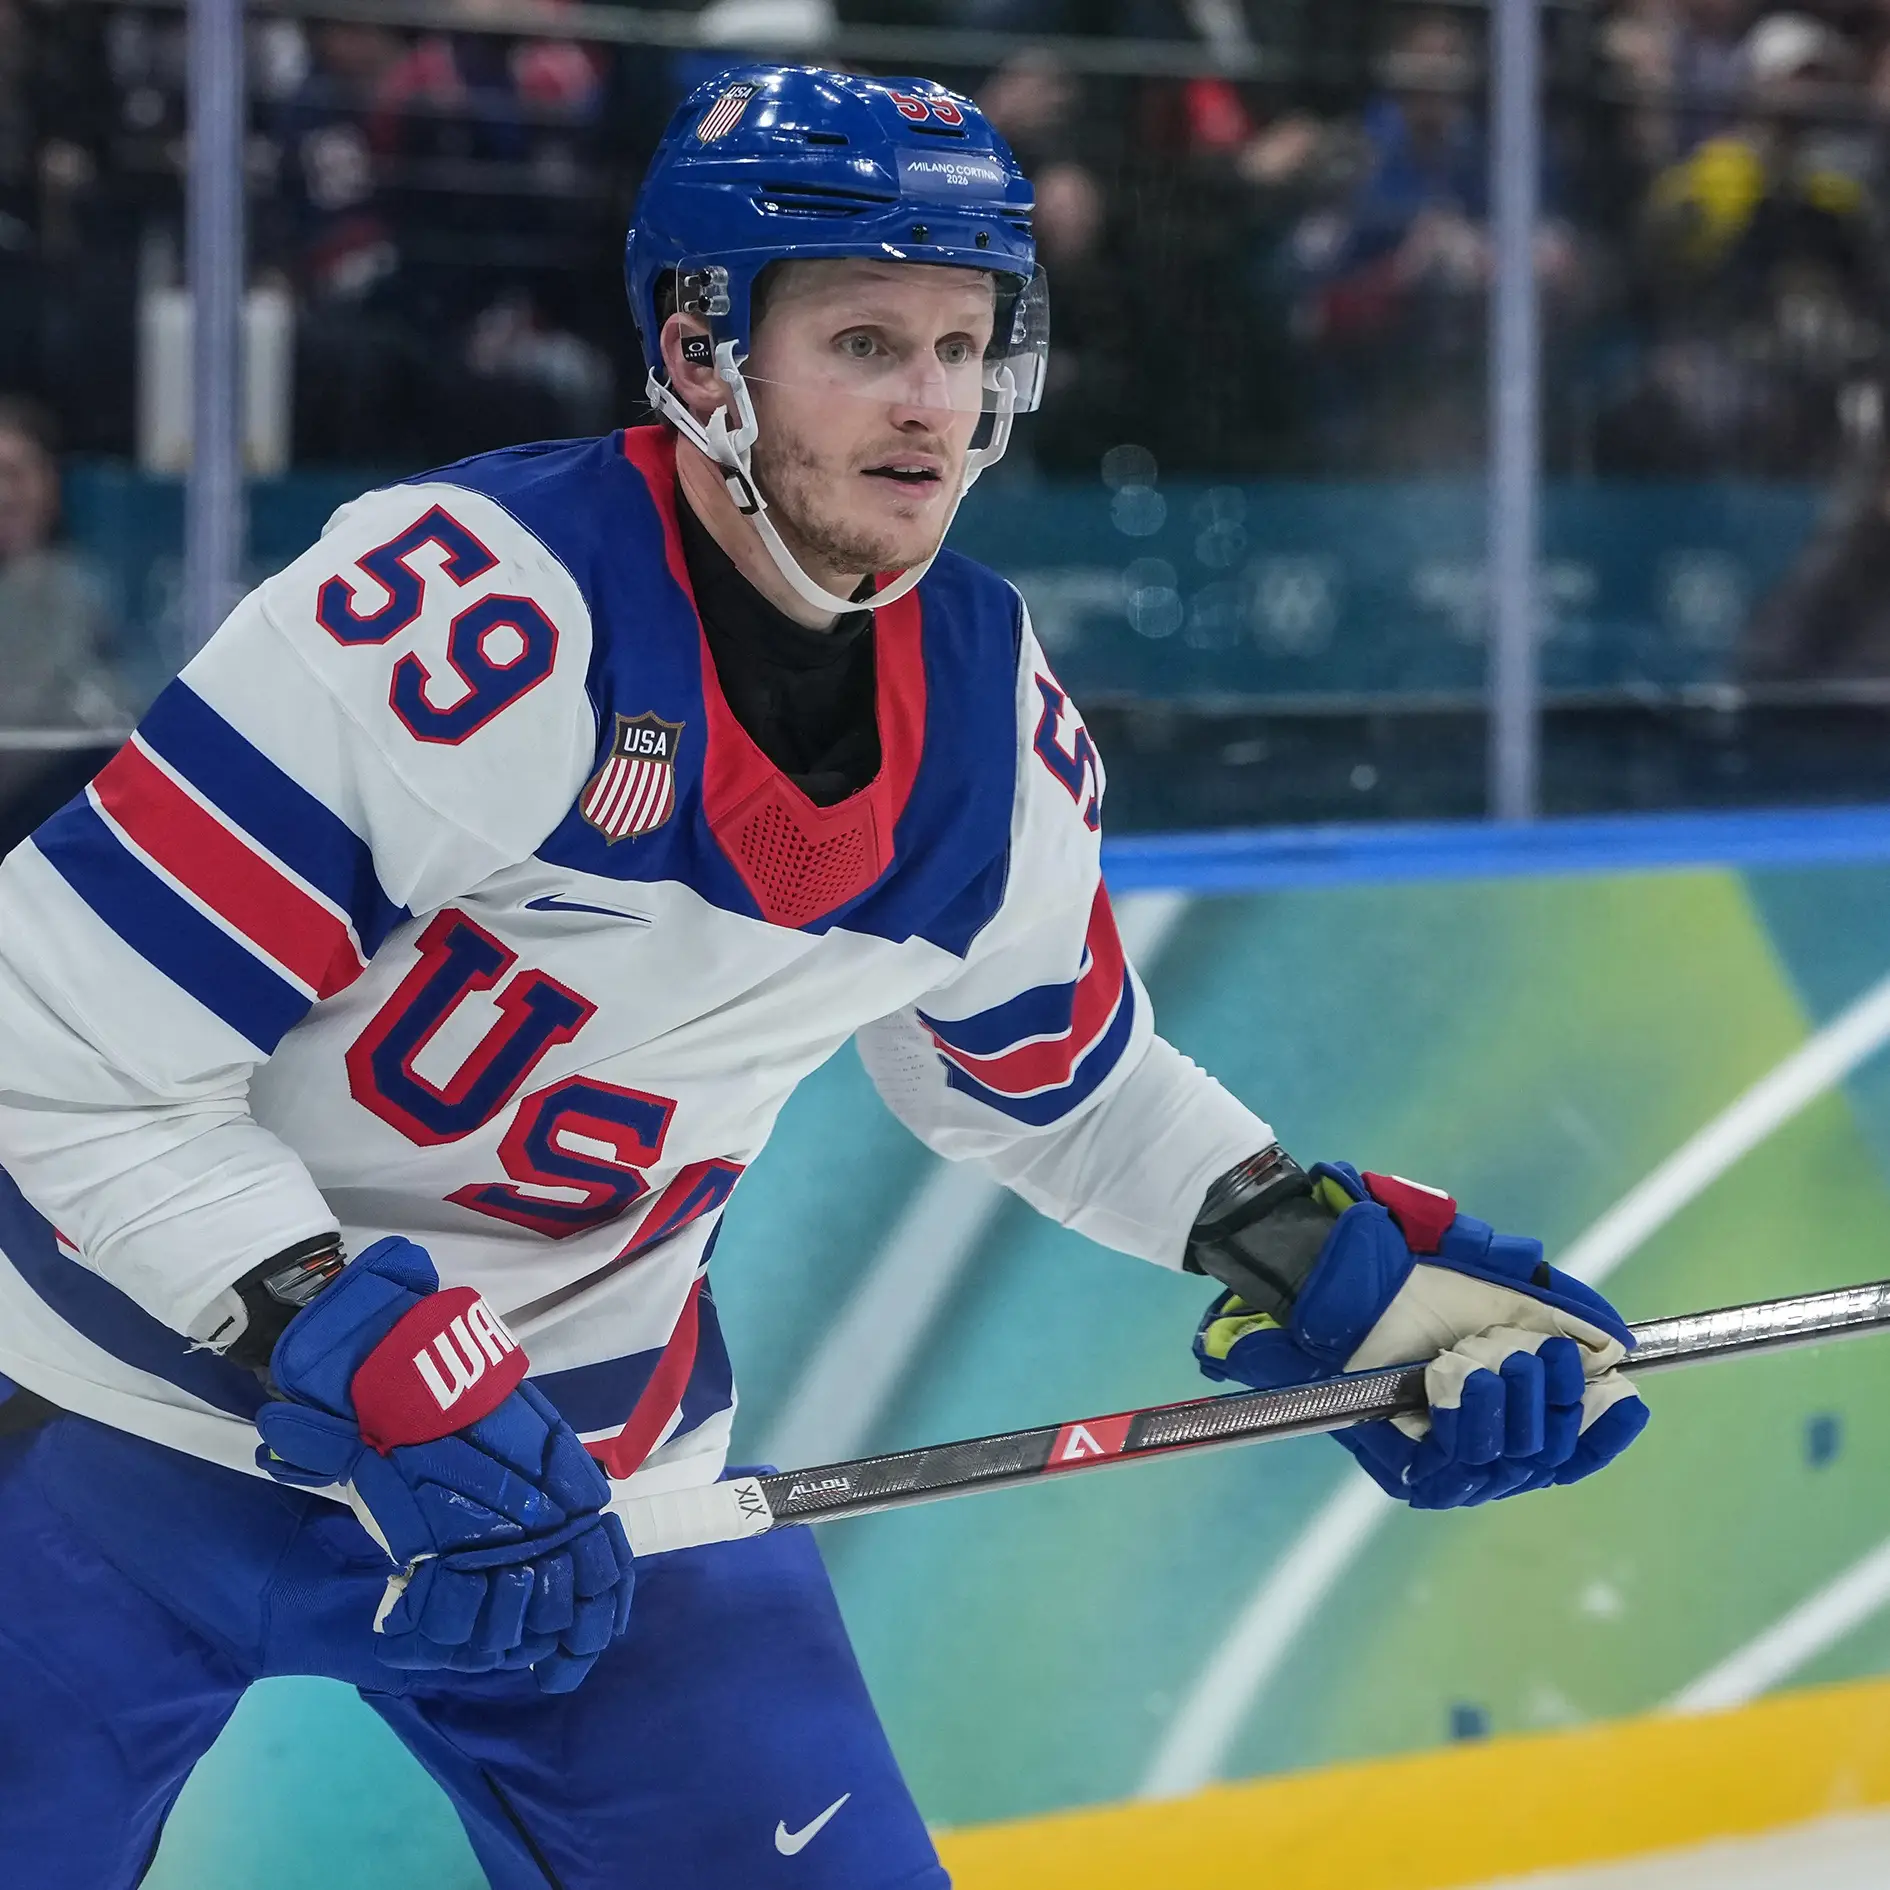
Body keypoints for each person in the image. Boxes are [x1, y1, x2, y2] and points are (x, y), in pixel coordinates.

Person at [0, 65, 1649, 1889]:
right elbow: (54, 1044)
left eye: (964, 345)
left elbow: (1065, 1083)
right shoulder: (464, 613)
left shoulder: (993, 728)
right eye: (866, 340)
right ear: (704, 356)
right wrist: (351, 1328)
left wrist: (1318, 1259)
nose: (932, 406)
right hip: (97, 1414)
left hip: (582, 1485)